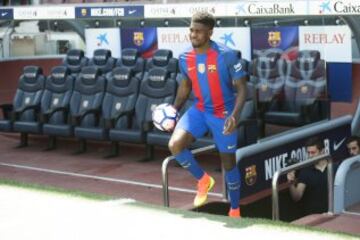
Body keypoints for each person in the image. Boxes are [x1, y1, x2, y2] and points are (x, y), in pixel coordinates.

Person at [168, 11, 247, 218]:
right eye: (191, 30)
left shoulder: (227, 55)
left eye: (198, 31)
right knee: (175, 145)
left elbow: (243, 89)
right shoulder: (184, 57)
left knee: (228, 163)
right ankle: (203, 180)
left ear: (210, 32)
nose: (193, 35)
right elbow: (185, 86)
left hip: (224, 114)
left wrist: (235, 116)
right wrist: (173, 111)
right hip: (200, 110)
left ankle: (235, 209)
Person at [287, 137, 330, 216]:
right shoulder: (305, 171)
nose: (310, 156)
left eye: (313, 152)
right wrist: (291, 183)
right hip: (313, 216)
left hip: (332, 214)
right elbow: (297, 196)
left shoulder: (333, 168)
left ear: (323, 151)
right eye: (308, 153)